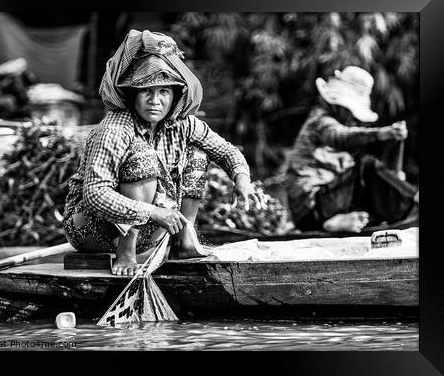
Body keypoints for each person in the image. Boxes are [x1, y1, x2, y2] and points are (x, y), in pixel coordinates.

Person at [63, 30, 263, 276]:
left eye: (164, 92)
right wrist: (154, 212)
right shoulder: (115, 129)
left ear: (174, 96)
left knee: (199, 153)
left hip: (153, 230)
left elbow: (226, 151)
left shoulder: (185, 124)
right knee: (141, 153)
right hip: (92, 230)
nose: (154, 101)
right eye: (146, 91)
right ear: (133, 95)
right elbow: (95, 194)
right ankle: (126, 252)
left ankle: (183, 241)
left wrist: (242, 179)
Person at [285, 66, 418, 233]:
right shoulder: (320, 120)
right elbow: (339, 137)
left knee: (375, 191)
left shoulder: (339, 125)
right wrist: (382, 133)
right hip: (311, 208)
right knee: (367, 166)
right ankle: (415, 200)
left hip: (327, 205)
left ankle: (334, 223)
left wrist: (394, 183)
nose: (352, 117)